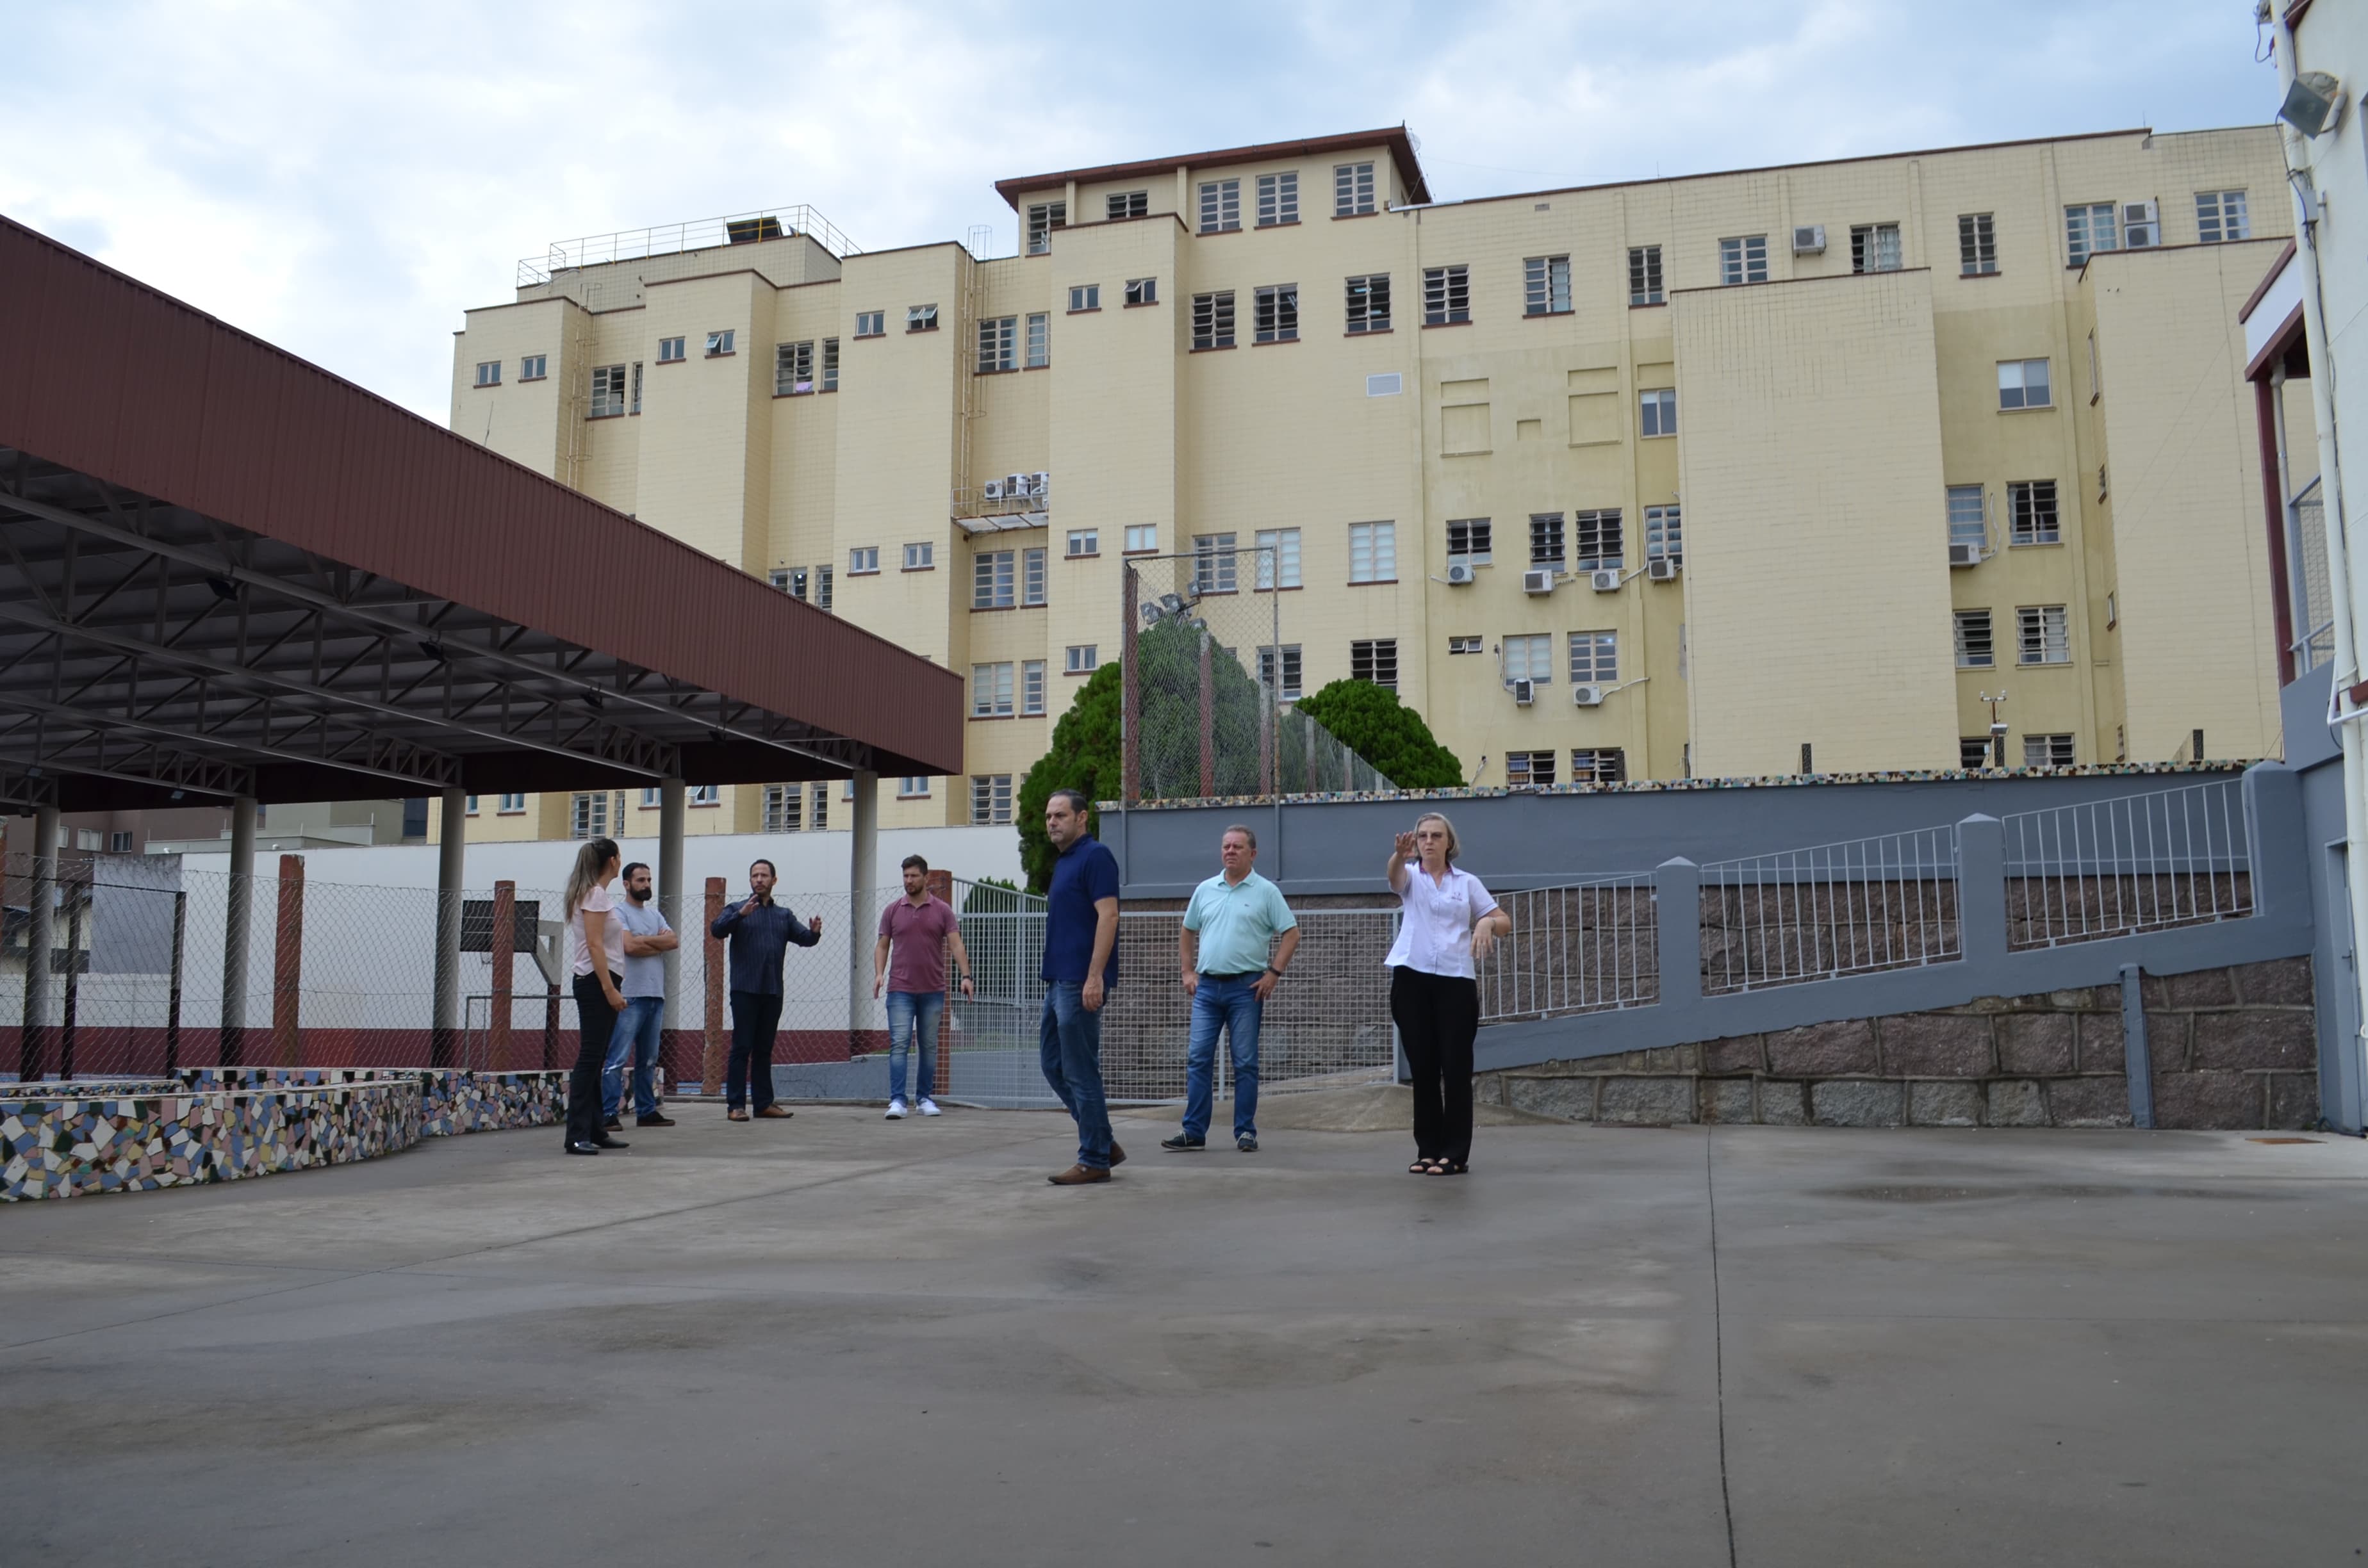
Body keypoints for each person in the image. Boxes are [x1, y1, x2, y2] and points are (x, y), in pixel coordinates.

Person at [1385, 812, 1510, 1176]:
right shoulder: (1411, 879)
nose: (1428, 841)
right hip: (1412, 978)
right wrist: (1397, 856)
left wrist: (1485, 920)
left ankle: (1455, 1153)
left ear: (1448, 843)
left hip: (1456, 980)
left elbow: (1504, 922)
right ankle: (1428, 1149)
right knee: (1423, 1069)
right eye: (1422, 835)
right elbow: (1394, 879)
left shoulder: (1467, 883)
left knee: (1456, 1068)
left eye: (1436, 836)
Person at [1163, 824, 1299, 1154]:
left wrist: (1274, 974)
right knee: (1197, 1059)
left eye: (1238, 847)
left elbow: (1292, 933)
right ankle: (1194, 1131)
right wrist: (1187, 971)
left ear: (1253, 854)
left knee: (1246, 1062)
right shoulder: (1206, 889)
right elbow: (1187, 931)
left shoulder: (1266, 891)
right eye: (1226, 846)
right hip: (1207, 990)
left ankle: (1245, 1132)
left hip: (1245, 989)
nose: (1230, 852)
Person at [1040, 788, 1125, 1185]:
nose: (1052, 822)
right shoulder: (1066, 862)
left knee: (1081, 1072)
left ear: (1082, 818)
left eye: (1060, 815)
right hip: (1058, 981)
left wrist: (1095, 977)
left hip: (1079, 983)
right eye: (1048, 817)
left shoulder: (1096, 857)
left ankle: (1094, 1159)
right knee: (1053, 1064)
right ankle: (1102, 1140)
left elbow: (1108, 917)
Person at [709, 858, 823, 1122]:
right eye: (755, 876)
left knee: (764, 1049)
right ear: (750, 881)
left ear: (774, 880)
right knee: (741, 1047)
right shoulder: (737, 908)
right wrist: (740, 916)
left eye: (764, 875)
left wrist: (815, 933)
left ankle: (763, 1104)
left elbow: (804, 939)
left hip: (772, 991)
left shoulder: (783, 915)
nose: (759, 880)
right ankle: (735, 1106)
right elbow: (717, 930)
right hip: (745, 990)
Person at [873, 854, 974, 1120]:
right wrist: (879, 974)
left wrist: (966, 976)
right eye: (905, 876)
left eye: (914, 876)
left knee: (928, 1045)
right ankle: (897, 1101)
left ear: (925, 878)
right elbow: (883, 945)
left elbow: (956, 944)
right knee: (899, 1044)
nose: (909, 881)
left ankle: (924, 1098)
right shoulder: (893, 910)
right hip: (900, 990)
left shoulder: (942, 910)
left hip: (933, 989)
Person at [561, 837, 631, 1156]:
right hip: (595, 982)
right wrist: (609, 989)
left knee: (597, 1056)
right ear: (614, 861)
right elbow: (594, 946)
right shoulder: (596, 895)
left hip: (599, 980)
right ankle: (576, 1134)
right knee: (590, 1059)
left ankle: (594, 1129)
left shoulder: (595, 894)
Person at [604, 861, 678, 1130]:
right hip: (630, 996)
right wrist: (655, 944)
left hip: (655, 995)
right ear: (627, 884)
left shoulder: (655, 915)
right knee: (618, 1058)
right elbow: (629, 947)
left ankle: (647, 1111)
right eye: (641, 880)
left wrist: (644, 941)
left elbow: (674, 941)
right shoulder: (617, 912)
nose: (647, 885)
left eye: (648, 880)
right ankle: (607, 1113)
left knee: (649, 1059)